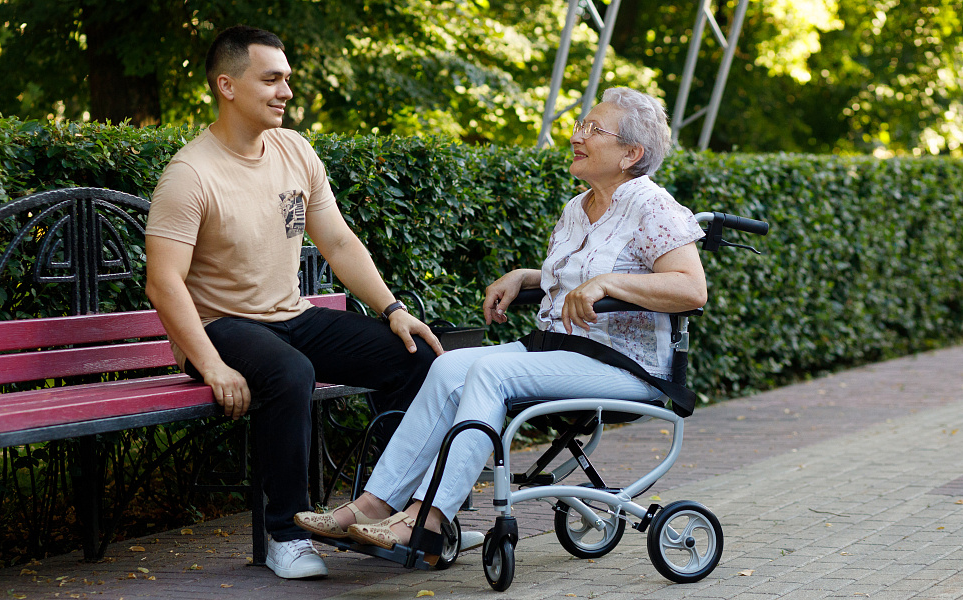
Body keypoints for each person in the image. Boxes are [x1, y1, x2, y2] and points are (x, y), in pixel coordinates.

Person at [295, 87, 707, 562]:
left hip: (626, 366)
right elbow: (577, 275)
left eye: (594, 129)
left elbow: (691, 288)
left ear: (631, 154)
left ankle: (428, 520)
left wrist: (608, 283)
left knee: (491, 373)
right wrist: (527, 276)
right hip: (559, 349)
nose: (577, 136)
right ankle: (373, 504)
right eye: (580, 125)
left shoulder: (652, 205)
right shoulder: (578, 208)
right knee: (447, 367)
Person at [144, 25, 443, 580]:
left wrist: (393, 310)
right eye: (271, 79)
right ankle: (286, 534)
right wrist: (210, 364)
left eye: (286, 79)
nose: (285, 91)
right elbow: (164, 283)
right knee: (290, 372)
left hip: (291, 316)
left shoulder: (295, 150)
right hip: (219, 327)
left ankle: (400, 512)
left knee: (414, 356)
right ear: (227, 85)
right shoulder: (190, 174)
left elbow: (339, 243)